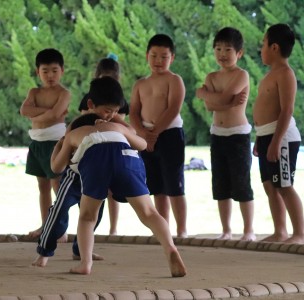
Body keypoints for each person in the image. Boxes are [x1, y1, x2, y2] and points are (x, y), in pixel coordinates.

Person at [50, 112, 187, 276]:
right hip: (127, 157)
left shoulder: (73, 135)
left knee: (87, 216)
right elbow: (142, 144)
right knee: (149, 212)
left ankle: (85, 263)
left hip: (95, 158)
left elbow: (56, 168)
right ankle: (170, 247)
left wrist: (59, 146)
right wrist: (117, 122)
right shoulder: (115, 127)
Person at [32, 76, 132, 267]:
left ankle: (81, 250)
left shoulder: (114, 122)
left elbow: (132, 135)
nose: (111, 115)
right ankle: (44, 252)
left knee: (94, 216)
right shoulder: (79, 123)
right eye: (107, 110)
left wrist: (118, 125)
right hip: (73, 177)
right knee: (58, 213)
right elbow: (63, 144)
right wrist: (57, 163)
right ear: (91, 104)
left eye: (116, 111)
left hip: (98, 177)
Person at [195, 27, 255, 241]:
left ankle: (248, 231)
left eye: (228, 49)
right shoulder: (212, 76)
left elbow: (218, 100)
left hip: (238, 134)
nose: (222, 53)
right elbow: (212, 107)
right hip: (217, 134)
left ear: (239, 53)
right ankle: (227, 230)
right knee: (220, 184)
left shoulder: (242, 74)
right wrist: (217, 100)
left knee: (241, 183)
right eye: (218, 49)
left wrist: (204, 94)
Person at [129, 34, 187, 238]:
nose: (158, 61)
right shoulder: (140, 84)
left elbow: (173, 108)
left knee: (174, 185)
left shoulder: (174, 80)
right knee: (156, 187)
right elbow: (133, 112)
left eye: (164, 56)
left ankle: (181, 231)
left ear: (172, 57)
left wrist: (154, 134)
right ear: (147, 56)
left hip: (170, 134)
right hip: (146, 136)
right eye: (154, 56)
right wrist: (144, 134)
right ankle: (164, 230)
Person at [253, 23, 304, 244]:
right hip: (266, 136)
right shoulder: (270, 74)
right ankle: (280, 231)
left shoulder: (285, 74)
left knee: (284, 185)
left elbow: (286, 110)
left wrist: (275, 142)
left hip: (281, 137)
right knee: (269, 185)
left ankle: (300, 233)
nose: (261, 49)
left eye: (263, 44)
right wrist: (260, 139)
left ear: (274, 47)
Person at [20, 48, 70, 238]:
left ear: (62, 71)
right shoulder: (34, 91)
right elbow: (24, 110)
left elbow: (55, 115)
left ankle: (61, 229)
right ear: (37, 72)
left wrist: (40, 112)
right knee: (43, 187)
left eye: (54, 71)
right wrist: (47, 112)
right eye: (45, 71)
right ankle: (46, 226)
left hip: (55, 143)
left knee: (58, 187)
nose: (50, 75)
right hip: (37, 142)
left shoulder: (64, 94)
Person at [79, 55, 130, 235]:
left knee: (113, 191)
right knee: (91, 191)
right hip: (91, 148)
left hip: (112, 148)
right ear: (97, 77)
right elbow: (85, 118)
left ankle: (113, 228)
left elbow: (120, 122)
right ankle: (89, 230)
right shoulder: (89, 98)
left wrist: (108, 113)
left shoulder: (119, 99)